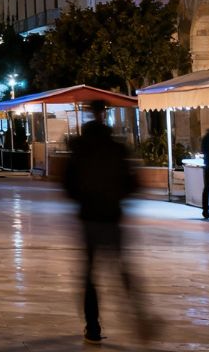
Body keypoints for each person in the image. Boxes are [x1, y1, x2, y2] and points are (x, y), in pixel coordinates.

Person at [63, 100, 146, 345]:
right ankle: (136, 314)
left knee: (89, 273)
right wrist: (116, 196)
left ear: (89, 114)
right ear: (105, 114)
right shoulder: (117, 147)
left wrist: (83, 198)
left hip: (89, 216)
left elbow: (68, 183)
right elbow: (133, 182)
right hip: (112, 215)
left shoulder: (80, 148)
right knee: (121, 267)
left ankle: (93, 326)